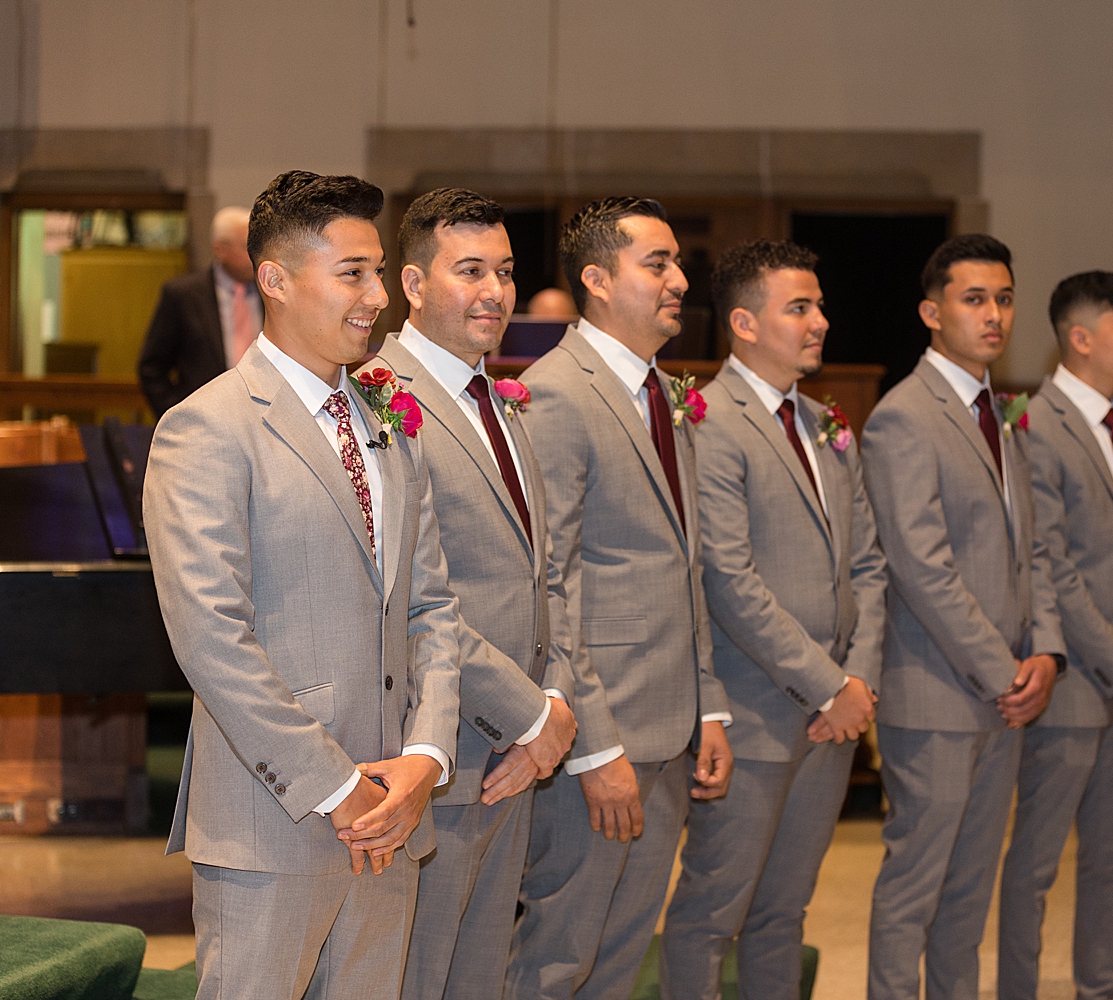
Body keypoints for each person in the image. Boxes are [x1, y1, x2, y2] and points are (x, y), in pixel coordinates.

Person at [141, 170, 463, 1000]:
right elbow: (212, 637)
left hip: (393, 814)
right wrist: (338, 784)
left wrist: (424, 759)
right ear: (275, 281)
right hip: (273, 821)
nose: (378, 296)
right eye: (352, 272)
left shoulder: (388, 420)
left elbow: (429, 605)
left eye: (379, 270)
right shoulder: (207, 428)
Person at [507, 196, 734, 999]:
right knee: (558, 959)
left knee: (619, 955)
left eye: (678, 263)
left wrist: (707, 707)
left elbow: (685, 565)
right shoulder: (557, 393)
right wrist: (596, 747)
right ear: (598, 280)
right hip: (599, 740)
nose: (680, 281)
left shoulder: (664, 394)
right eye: (658, 264)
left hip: (668, 726)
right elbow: (552, 585)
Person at [357, 187, 579, 1000]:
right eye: (471, 271)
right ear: (412, 285)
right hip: (440, 746)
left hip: (515, 754)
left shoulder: (499, 398)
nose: (495, 292)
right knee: (419, 977)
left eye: (506, 272)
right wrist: (533, 715)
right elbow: (415, 595)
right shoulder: (379, 395)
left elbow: (541, 573)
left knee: (478, 977)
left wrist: (549, 706)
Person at [659, 240, 887, 999]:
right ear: (745, 323)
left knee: (785, 911)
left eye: (819, 305)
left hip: (834, 716)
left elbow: (869, 566)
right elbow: (729, 577)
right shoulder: (709, 421)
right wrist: (829, 686)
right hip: (754, 714)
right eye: (800, 307)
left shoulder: (827, 424)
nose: (821, 320)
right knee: (710, 913)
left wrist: (859, 683)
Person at [862, 234, 1065, 1000]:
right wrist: (1003, 667)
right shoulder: (905, 417)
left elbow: (1030, 550)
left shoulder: (997, 412)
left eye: (1004, 298)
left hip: (1006, 693)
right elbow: (921, 566)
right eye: (974, 298)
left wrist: (1045, 652)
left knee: (967, 897)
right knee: (915, 888)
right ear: (931, 311)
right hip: (939, 693)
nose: (994, 314)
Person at [996, 271, 1113, 1000]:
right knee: (1036, 864)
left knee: (1108, 860)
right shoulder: (1037, 427)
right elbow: (1052, 569)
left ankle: (1097, 991)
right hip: (1074, 683)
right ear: (1080, 337)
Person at [138, 206, 263, 417]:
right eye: (247, 247)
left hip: (263, 418)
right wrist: (176, 415)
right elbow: (152, 368)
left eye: (258, 247)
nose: (256, 256)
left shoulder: (273, 292)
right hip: (204, 420)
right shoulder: (183, 295)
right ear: (220, 249)